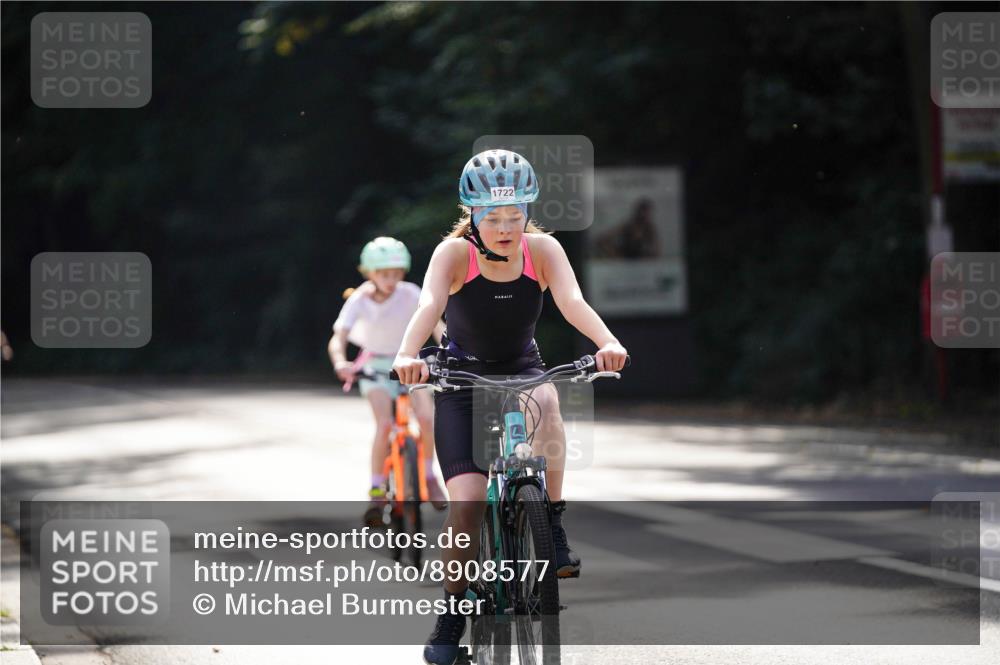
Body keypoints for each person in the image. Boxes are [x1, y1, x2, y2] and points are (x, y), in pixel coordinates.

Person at [392, 149, 628, 665]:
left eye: (514, 216)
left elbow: (571, 302)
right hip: (460, 377)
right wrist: (409, 355)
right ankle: (453, 614)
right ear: (471, 215)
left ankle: (554, 524)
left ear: (528, 212)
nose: (504, 228)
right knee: (468, 505)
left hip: (522, 366)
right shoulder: (453, 255)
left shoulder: (543, 250)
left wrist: (607, 343)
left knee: (548, 397)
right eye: (492, 218)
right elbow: (429, 305)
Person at [328, 237, 448, 522]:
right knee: (384, 424)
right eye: (384, 274)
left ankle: (429, 475)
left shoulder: (410, 293)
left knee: (428, 419)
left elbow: (435, 324)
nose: (391, 280)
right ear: (369, 273)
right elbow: (339, 337)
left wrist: (449, 350)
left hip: (409, 360)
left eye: (396, 274)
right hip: (375, 364)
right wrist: (340, 363)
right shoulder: (358, 299)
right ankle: (376, 489)